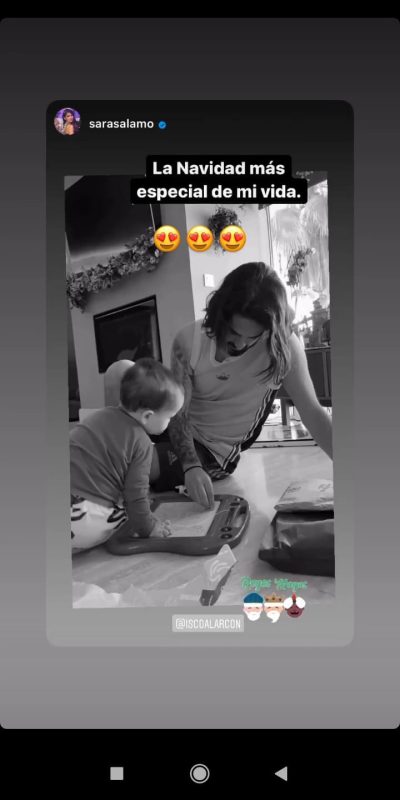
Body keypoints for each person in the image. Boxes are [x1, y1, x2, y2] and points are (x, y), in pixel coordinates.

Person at [151, 262, 333, 509]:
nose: (240, 345)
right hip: (171, 426)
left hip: (211, 451)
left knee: (134, 463)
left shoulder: (282, 348)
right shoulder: (188, 341)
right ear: (220, 315)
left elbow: (312, 413)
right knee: (119, 377)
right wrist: (189, 464)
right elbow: (177, 413)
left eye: (252, 337)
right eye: (234, 333)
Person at [70, 358, 184, 552]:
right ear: (147, 416)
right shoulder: (141, 442)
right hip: (84, 514)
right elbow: (136, 495)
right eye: (169, 417)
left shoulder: (100, 416)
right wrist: (149, 527)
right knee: (128, 514)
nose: (170, 423)